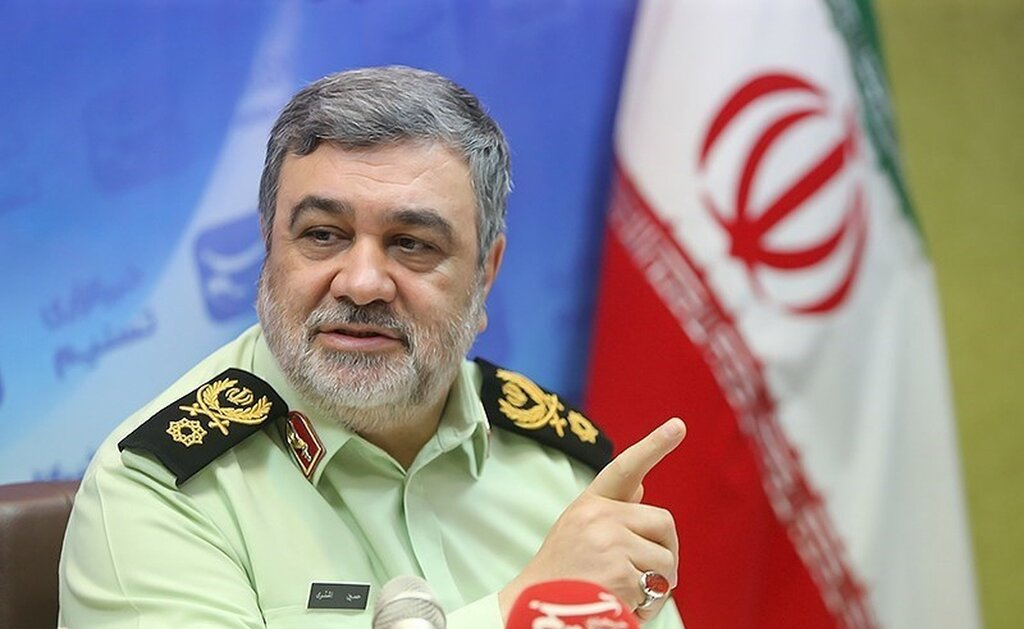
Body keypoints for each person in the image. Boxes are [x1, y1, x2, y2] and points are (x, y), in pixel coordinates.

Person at [58, 66, 687, 628]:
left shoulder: (561, 469)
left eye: (412, 244)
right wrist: (522, 607)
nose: (361, 283)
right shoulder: (156, 490)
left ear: (486, 275)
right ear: (269, 251)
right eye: (323, 235)